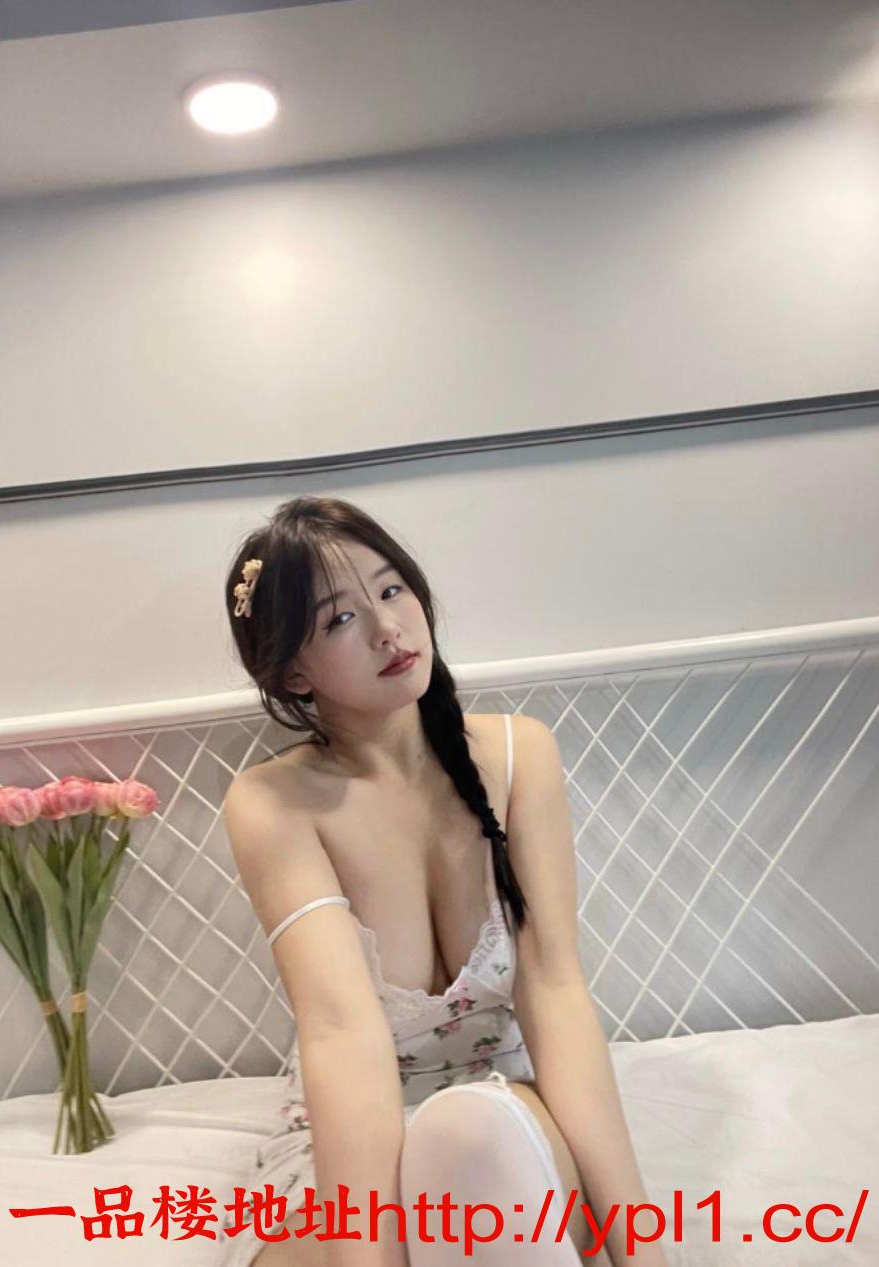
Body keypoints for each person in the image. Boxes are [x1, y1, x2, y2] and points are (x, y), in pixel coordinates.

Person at [222, 496, 666, 1267]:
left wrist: (642, 1254)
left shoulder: (519, 756)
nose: (388, 628)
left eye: (392, 589)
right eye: (340, 618)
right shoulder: (272, 803)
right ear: (292, 668)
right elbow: (340, 1036)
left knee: (465, 1137)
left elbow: (555, 992)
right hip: (349, 1135)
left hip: (499, 1108)